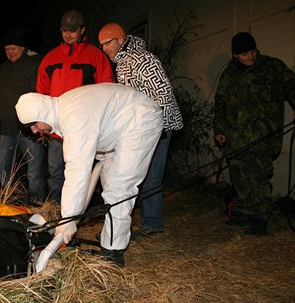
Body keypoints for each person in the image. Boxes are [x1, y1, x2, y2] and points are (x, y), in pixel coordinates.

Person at [16, 83, 163, 266]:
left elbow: (77, 170)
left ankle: (113, 252)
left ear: (42, 113)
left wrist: (68, 218)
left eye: (33, 124)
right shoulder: (65, 108)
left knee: (119, 187)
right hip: (123, 124)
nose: (35, 131)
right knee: (109, 183)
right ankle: (113, 234)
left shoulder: (73, 116)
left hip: (140, 119)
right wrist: (70, 217)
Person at [98, 22, 183, 235]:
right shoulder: (122, 61)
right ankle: (142, 219)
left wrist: (160, 128)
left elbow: (163, 93)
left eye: (107, 43)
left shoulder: (142, 59)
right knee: (140, 174)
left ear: (120, 39)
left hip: (160, 126)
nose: (104, 49)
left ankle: (152, 224)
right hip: (143, 127)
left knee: (152, 176)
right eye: (101, 45)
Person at [213, 32, 295, 235]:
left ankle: (260, 218)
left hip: (262, 135)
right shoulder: (229, 74)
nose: (250, 57)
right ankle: (248, 211)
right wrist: (220, 129)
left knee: (257, 176)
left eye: (252, 52)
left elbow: (292, 86)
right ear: (235, 55)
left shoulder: (272, 67)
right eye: (244, 54)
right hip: (235, 136)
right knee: (240, 175)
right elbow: (221, 103)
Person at [36, 9, 115, 204]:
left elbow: (108, 90)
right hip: (57, 128)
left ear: (82, 30)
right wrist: (42, 120)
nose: (68, 34)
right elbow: (42, 92)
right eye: (65, 31)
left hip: (84, 127)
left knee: (83, 171)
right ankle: (54, 209)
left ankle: (79, 210)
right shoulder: (50, 58)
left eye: (72, 30)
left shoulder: (96, 56)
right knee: (55, 171)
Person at [0, 29, 46, 202]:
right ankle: (9, 197)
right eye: (7, 49)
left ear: (23, 48)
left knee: (34, 166)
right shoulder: (2, 69)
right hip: (7, 127)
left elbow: (40, 91)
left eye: (14, 48)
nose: (10, 52)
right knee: (3, 165)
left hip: (29, 128)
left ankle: (36, 199)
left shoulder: (34, 64)